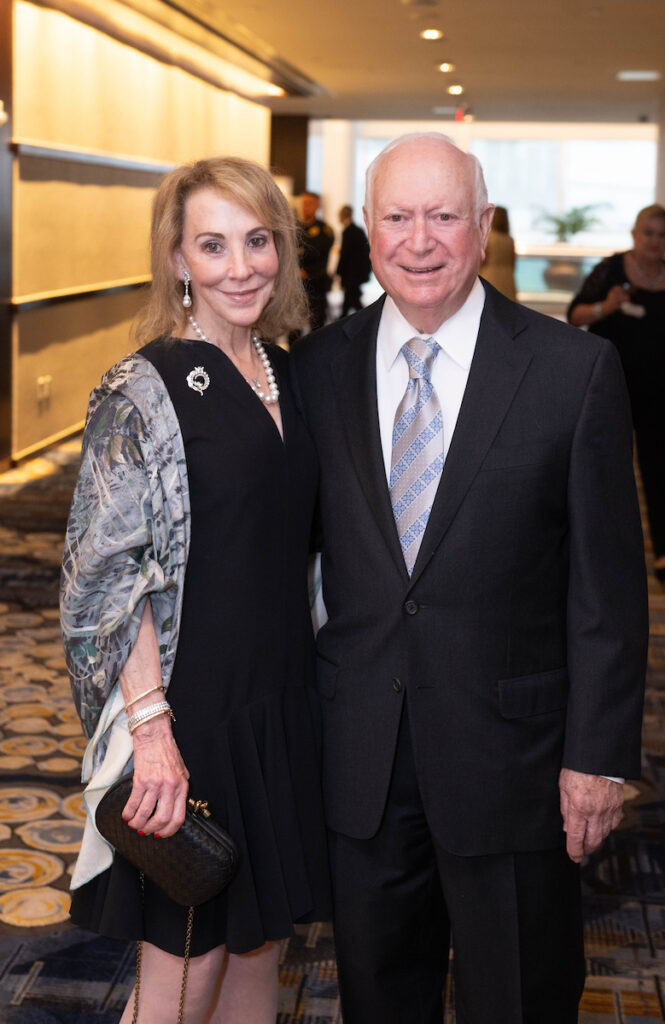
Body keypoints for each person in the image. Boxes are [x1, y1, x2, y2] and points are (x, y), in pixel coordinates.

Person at [292, 133, 648, 1024]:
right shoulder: (314, 372)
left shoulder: (573, 371)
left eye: (444, 216)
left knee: (518, 998)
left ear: (482, 226)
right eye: (399, 217)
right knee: (378, 996)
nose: (421, 241)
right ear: (369, 232)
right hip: (360, 760)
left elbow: (606, 589)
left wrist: (597, 757)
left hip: (517, 767)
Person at [60, 156, 330, 1024]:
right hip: (193, 715)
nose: (240, 266)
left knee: (258, 955)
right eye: (212, 246)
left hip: (280, 704)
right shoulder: (146, 387)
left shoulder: (288, 372)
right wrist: (152, 734)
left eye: (257, 241)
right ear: (177, 259)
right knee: (185, 975)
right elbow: (106, 577)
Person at [568, 204, 665, 582]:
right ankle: (596, 554)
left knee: (657, 472)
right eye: (648, 232)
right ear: (635, 234)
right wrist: (608, 305)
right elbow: (575, 315)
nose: (654, 241)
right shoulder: (611, 270)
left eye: (662, 234)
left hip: (659, 394)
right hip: (610, 391)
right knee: (603, 472)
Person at [297, 191, 334, 332]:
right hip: (297, 287)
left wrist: (306, 272)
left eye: (309, 204)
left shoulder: (325, 230)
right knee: (294, 328)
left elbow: (319, 255)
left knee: (317, 327)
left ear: (318, 206)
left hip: (316, 285)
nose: (305, 207)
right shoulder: (296, 229)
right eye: (304, 204)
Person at [336, 204, 372, 317]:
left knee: (352, 299)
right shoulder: (358, 230)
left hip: (352, 273)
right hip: (357, 272)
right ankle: (343, 319)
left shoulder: (348, 231)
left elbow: (345, 254)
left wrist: (338, 271)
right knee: (350, 298)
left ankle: (366, 318)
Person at [479, 204, 517, 300]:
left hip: (490, 276)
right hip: (508, 279)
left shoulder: (489, 237)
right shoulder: (509, 240)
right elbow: (513, 263)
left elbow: (482, 260)